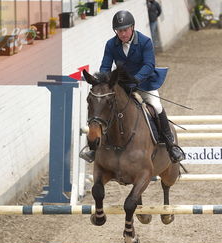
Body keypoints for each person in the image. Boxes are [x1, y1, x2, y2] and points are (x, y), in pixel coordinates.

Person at [79, 10, 184, 164]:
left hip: (143, 83)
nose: (122, 34)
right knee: (105, 108)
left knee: (156, 106)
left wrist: (137, 79)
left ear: (132, 27)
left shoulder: (145, 41)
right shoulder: (111, 44)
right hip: (121, 85)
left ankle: (170, 144)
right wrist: (103, 82)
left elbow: (149, 65)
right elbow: (105, 66)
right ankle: (94, 149)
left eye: (125, 30)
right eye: (119, 31)